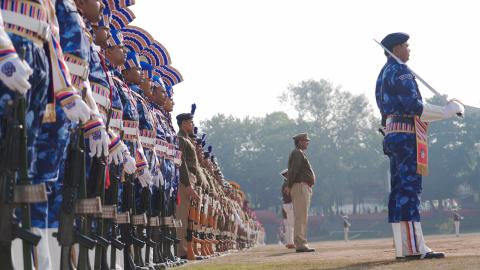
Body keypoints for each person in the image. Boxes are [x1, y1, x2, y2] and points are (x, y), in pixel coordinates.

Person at [375, 32, 465, 259]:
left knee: (398, 192)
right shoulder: (401, 72)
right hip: (406, 136)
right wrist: (446, 112)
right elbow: (414, 107)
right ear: (396, 49)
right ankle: (415, 248)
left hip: (393, 134)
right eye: (406, 46)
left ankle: (403, 248)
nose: (409, 50)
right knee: (409, 191)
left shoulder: (383, 73)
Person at [284, 133, 315, 252]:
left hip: (302, 187)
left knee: (301, 216)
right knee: (301, 217)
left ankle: (301, 242)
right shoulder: (297, 153)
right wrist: (289, 184)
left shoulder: (298, 153)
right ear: (300, 142)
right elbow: (294, 170)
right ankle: (300, 243)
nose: (308, 142)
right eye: (305, 140)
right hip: (300, 187)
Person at [280, 169, 295, 249]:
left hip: (287, 205)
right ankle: (291, 242)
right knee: (291, 225)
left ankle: (289, 242)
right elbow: (290, 195)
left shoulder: (286, 184)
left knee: (288, 225)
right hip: (289, 204)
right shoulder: (287, 184)